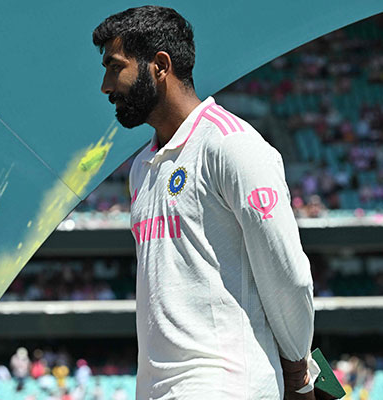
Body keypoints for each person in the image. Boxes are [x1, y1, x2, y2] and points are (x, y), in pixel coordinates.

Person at [92, 6, 316, 399]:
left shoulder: (231, 145)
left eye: (115, 67)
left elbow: (286, 273)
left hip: (226, 384)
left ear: (159, 65)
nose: (106, 86)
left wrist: (299, 375)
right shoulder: (141, 168)